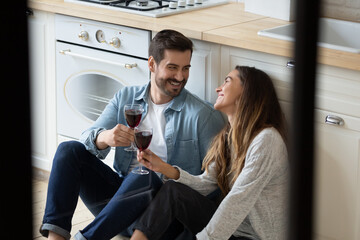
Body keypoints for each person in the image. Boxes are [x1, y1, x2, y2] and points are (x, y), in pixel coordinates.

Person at [40, 29, 227, 240]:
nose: (180, 77)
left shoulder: (203, 115)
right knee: (69, 150)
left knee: (144, 174)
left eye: (185, 68)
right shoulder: (126, 98)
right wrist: (105, 138)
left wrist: (167, 174)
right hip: (119, 208)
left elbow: (215, 185)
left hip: (162, 218)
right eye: (172, 68)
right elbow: (87, 137)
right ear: (151, 64)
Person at [131, 66, 289, 240]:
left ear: (247, 91)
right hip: (229, 230)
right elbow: (207, 184)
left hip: (252, 237)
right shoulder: (229, 137)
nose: (218, 88)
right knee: (173, 191)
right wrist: (163, 168)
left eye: (227, 81)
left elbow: (238, 200)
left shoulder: (267, 140)